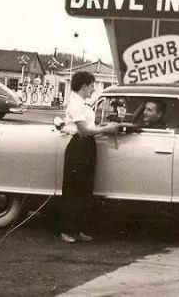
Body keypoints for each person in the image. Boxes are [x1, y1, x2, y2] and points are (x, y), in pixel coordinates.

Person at [60, 71, 118, 243]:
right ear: (84, 86)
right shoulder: (75, 105)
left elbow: (90, 126)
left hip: (87, 145)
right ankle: (67, 230)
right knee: (74, 189)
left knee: (85, 188)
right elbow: (84, 130)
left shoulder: (83, 104)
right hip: (79, 145)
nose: (93, 89)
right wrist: (105, 129)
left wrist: (102, 127)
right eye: (92, 86)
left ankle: (78, 229)